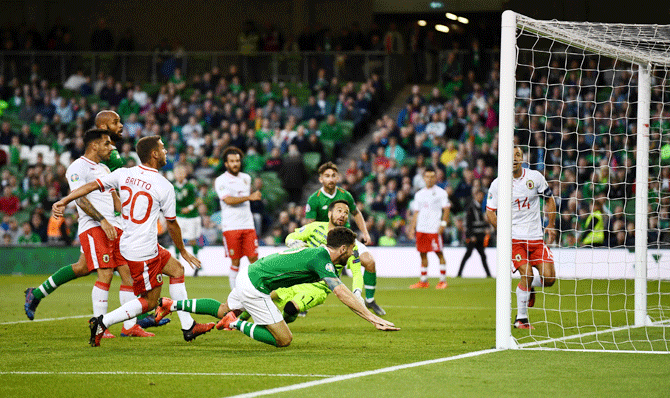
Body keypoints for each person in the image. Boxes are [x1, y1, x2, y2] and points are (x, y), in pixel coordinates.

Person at [51, 135, 215, 346]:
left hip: (134, 242)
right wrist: (182, 249)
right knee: (149, 302)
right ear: (154, 154)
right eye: (163, 149)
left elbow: (91, 186)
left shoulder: (123, 174)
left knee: (177, 271)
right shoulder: (164, 185)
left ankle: (188, 326)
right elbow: (172, 224)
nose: (166, 152)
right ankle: (102, 322)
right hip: (143, 249)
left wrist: (64, 200)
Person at [153, 227, 399, 347]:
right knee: (284, 339)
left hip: (250, 274)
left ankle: (170, 304)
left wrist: (367, 316)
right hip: (256, 286)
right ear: (343, 249)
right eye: (352, 249)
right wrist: (370, 318)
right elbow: (342, 293)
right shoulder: (320, 259)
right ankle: (234, 323)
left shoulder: (318, 255)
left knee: (223, 308)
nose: (353, 254)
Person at [24, 129, 160, 338]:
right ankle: (99, 326)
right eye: (107, 144)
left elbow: (115, 200)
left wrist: (132, 217)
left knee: (126, 274)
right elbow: (80, 199)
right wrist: (103, 220)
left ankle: (129, 326)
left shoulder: (104, 169)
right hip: (94, 226)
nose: (111, 148)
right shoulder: (78, 167)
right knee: (104, 272)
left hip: (115, 227)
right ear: (95, 145)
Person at [486, 146, 557, 330]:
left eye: (517, 155)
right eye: (511, 155)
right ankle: (521, 319)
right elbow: (490, 212)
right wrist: (503, 233)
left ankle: (529, 286)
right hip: (515, 240)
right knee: (526, 273)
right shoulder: (498, 183)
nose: (514, 158)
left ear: (522, 158)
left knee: (549, 279)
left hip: (536, 238)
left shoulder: (535, 177)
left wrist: (551, 224)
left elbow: (549, 199)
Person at [304, 162, 385, 316]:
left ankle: (369, 300)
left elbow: (356, 213)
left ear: (338, 177)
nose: (331, 179)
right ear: (321, 179)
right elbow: (310, 225)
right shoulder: (314, 199)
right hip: (326, 243)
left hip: (347, 240)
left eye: (333, 175)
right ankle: (301, 301)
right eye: (327, 176)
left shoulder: (345, 195)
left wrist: (365, 232)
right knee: (311, 274)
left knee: (370, 262)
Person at [268, 200, 364, 323]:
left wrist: (357, 292)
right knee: (267, 295)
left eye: (346, 213)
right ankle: (238, 319)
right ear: (329, 214)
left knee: (290, 308)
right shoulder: (315, 227)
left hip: (319, 286)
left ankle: (281, 323)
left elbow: (357, 272)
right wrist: (292, 242)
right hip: (298, 277)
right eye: (339, 211)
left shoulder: (349, 243)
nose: (342, 215)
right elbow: (291, 236)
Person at [214, 146, 261, 290]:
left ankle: (258, 291)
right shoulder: (221, 180)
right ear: (226, 163)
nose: (235, 164)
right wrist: (249, 197)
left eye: (237, 161)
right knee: (236, 261)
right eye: (232, 161)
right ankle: (235, 295)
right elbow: (227, 200)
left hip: (248, 225)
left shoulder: (246, 178)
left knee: (254, 259)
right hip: (231, 226)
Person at [407, 166, 451, 289]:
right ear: (423, 178)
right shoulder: (419, 194)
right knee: (422, 254)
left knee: (439, 253)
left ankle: (443, 280)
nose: (430, 179)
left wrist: (443, 224)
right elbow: (416, 212)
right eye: (427, 177)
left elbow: (446, 209)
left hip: (434, 229)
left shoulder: (441, 193)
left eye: (432, 177)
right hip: (421, 228)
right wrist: (412, 228)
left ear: (436, 178)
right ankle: (423, 281)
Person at [173, 164, 203, 275]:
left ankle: (197, 264)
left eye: (181, 173)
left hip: (192, 217)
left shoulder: (191, 186)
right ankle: (176, 262)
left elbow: (199, 200)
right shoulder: (172, 187)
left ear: (185, 174)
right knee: (177, 239)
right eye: (177, 173)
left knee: (192, 240)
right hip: (179, 216)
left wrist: (189, 208)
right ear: (174, 174)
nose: (179, 175)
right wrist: (179, 209)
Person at [457, 188, 492, 277]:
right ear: (475, 196)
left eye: (482, 196)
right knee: (468, 255)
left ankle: (488, 274)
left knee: (482, 255)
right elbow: (468, 223)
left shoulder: (481, 207)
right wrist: (471, 235)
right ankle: (459, 273)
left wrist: (486, 228)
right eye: (479, 195)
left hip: (480, 235)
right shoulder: (471, 207)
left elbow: (483, 221)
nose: (481, 197)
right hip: (474, 236)